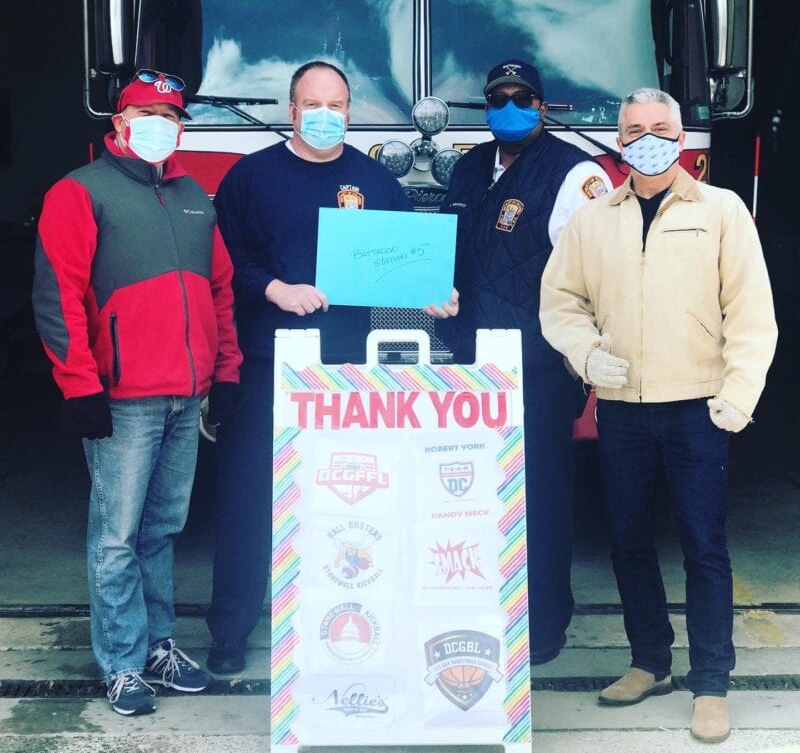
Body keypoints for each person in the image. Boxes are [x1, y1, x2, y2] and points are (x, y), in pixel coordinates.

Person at [539, 87, 777, 743]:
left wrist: (740, 390)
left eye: (661, 128)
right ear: (619, 142)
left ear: (679, 138)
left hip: (699, 406)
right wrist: (587, 356)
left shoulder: (721, 211)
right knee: (628, 540)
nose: (648, 137)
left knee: (703, 545)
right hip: (621, 408)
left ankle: (711, 683)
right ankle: (650, 662)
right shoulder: (594, 220)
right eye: (635, 128)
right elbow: (560, 301)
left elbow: (753, 313)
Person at [206, 60, 458, 674]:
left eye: (338, 105)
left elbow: (405, 258)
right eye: (313, 105)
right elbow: (222, 259)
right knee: (248, 499)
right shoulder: (250, 176)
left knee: (347, 500)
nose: (326, 115)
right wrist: (274, 289)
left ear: (349, 111)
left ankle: (343, 625)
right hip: (268, 363)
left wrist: (430, 292)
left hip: (345, 370)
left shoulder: (373, 179)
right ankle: (231, 629)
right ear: (291, 111)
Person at [32, 70, 243, 716]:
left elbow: (221, 292)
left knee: (160, 531)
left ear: (182, 126)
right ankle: (122, 663)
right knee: (117, 536)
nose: (159, 123)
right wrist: (78, 385)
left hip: (186, 395)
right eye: (144, 112)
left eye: (171, 115)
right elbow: (56, 296)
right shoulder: (78, 192)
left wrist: (226, 373)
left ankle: (157, 646)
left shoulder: (193, 197)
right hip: (122, 397)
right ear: (118, 123)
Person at [437, 58, 613, 665]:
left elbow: (599, 274)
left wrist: (578, 359)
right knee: (472, 497)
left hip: (537, 367)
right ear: (487, 106)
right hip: (468, 362)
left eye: (523, 97)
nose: (509, 106)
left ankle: (543, 627)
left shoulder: (575, 173)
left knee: (540, 497)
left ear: (542, 106)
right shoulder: (466, 167)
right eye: (498, 97)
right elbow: (448, 253)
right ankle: (482, 607)